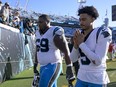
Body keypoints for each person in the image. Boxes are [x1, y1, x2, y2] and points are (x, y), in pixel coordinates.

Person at [70, 6, 112, 87]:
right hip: (81, 77)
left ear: (93, 19)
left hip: (96, 79)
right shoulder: (79, 34)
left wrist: (81, 44)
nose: (81, 22)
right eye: (80, 19)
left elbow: (98, 61)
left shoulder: (102, 32)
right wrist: (75, 45)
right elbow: (73, 59)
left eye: (84, 19)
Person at [34, 14, 75, 87]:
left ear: (47, 22)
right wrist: (35, 64)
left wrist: (69, 66)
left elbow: (65, 50)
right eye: (38, 22)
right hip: (42, 66)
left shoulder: (54, 31)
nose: (38, 24)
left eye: (41, 22)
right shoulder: (37, 33)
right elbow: (37, 50)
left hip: (53, 64)